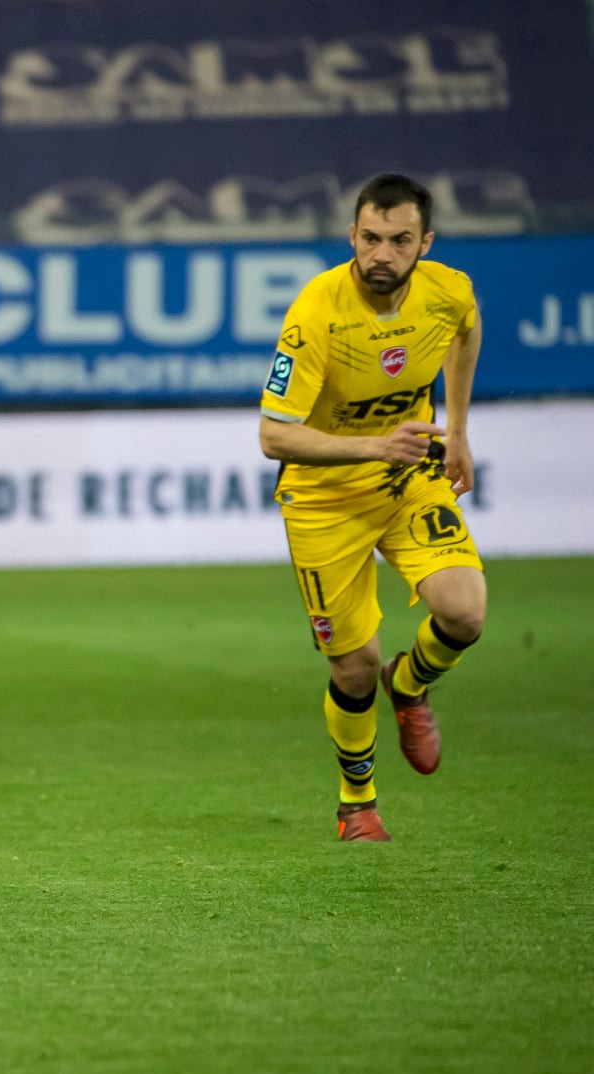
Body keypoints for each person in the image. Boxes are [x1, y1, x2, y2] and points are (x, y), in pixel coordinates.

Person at [259, 173, 485, 842]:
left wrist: (461, 431)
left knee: (465, 612)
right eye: (370, 238)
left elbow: (465, 335)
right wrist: (371, 444)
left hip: (407, 477)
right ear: (352, 236)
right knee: (351, 667)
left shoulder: (449, 291)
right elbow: (273, 435)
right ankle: (357, 802)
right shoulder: (316, 311)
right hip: (324, 501)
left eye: (399, 240)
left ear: (425, 243)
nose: (382, 253)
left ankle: (410, 684)